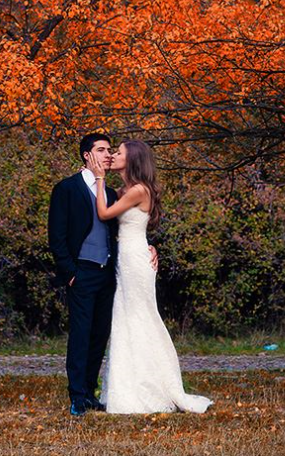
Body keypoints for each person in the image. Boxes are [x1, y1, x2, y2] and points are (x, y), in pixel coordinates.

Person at [87, 139, 212, 414]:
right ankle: (128, 386)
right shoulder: (126, 190)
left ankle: (150, 387)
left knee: (140, 317)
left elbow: (104, 213)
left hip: (134, 260)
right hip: (128, 256)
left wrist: (98, 179)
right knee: (126, 318)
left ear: (131, 160)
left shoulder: (138, 190)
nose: (113, 156)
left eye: (118, 153)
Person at [47, 133, 157, 416]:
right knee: (81, 335)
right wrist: (70, 273)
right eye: (102, 150)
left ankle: (91, 392)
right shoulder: (67, 189)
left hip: (109, 273)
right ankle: (77, 396)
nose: (108, 155)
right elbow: (56, 237)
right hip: (81, 272)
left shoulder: (110, 192)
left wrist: (150, 246)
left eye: (111, 150)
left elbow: (128, 228)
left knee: (99, 335)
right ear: (87, 155)